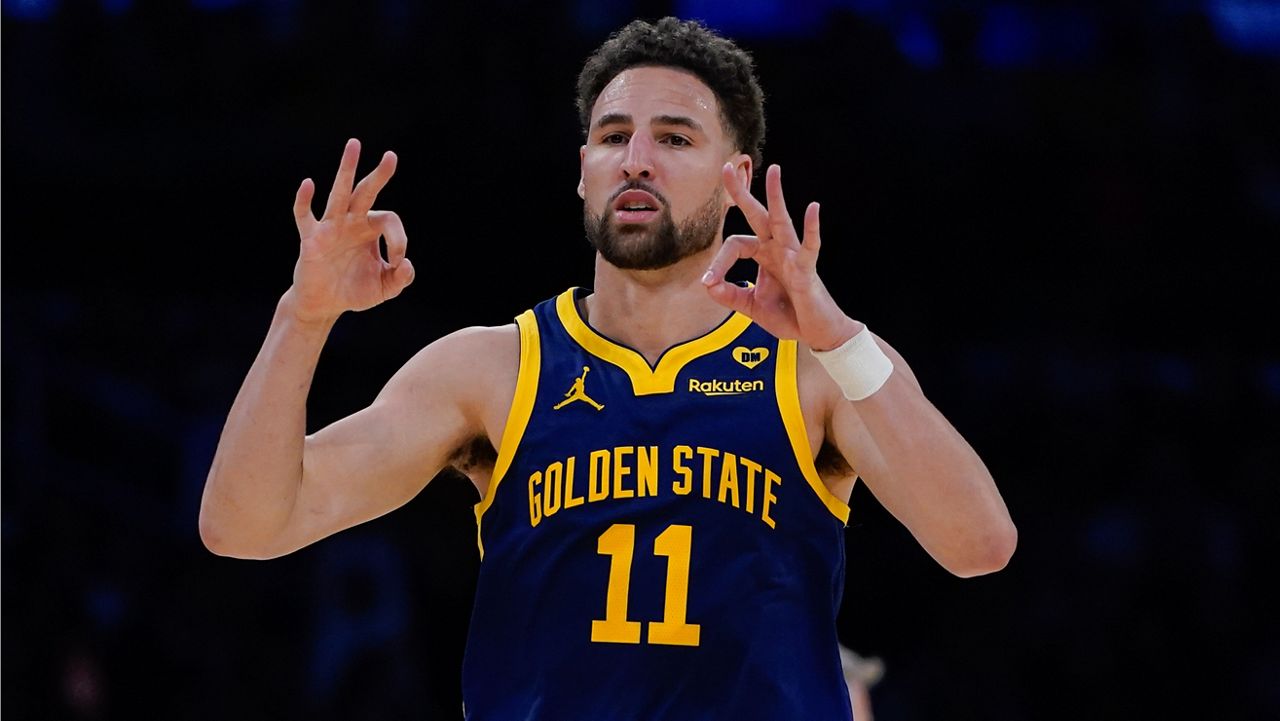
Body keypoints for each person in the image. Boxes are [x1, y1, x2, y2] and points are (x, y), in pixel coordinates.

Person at [199, 16, 1016, 720]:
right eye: (613, 135)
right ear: (582, 168)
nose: (636, 159)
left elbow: (980, 543)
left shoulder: (814, 368)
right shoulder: (494, 368)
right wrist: (301, 319)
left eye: (674, 137)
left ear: (738, 177)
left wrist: (840, 338)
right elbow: (245, 526)